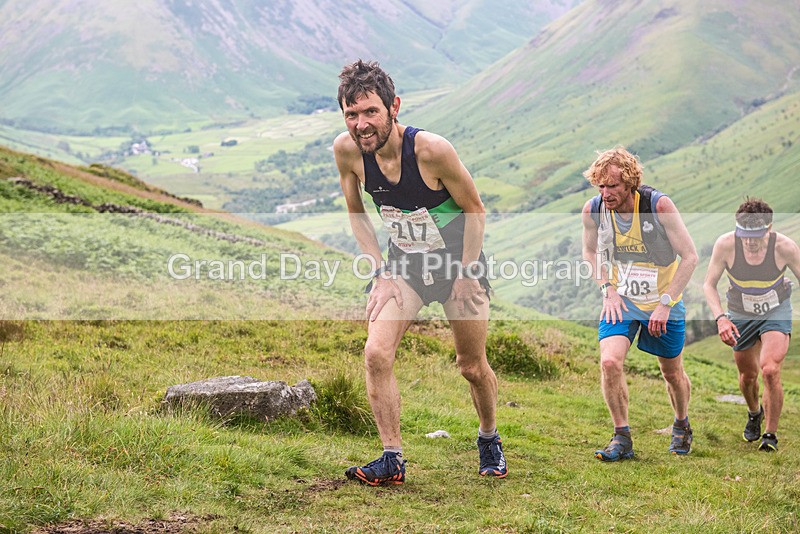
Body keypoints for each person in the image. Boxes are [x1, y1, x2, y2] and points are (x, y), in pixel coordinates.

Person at [333, 59, 506, 485]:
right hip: (405, 267)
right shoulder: (347, 151)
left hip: (456, 266)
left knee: (471, 365)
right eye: (351, 114)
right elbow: (357, 214)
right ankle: (392, 458)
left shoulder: (431, 150)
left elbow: (475, 210)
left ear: (394, 106)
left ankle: (488, 437)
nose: (361, 124)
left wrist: (467, 273)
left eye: (370, 111)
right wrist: (380, 273)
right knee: (376, 353)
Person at [581, 146, 698, 461]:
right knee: (609, 363)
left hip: (662, 302)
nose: (606, 193)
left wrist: (666, 302)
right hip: (622, 301)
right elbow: (590, 253)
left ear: (630, 183)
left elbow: (690, 257)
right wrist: (607, 288)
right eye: (601, 186)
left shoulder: (658, 206)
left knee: (671, 372)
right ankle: (622, 437)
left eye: (613, 186)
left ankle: (681, 423)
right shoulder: (593, 210)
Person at [703, 198, 799, 452]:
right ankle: (754, 412)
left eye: (755, 235)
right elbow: (709, 284)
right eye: (744, 234)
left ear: (768, 229)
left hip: (775, 310)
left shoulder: (785, 247)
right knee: (748, 376)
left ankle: (770, 434)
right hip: (740, 312)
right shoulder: (725, 245)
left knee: (769, 370)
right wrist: (721, 318)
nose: (749, 241)